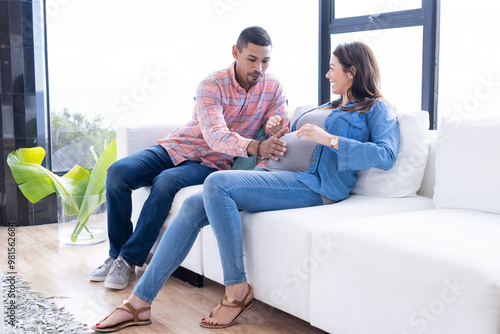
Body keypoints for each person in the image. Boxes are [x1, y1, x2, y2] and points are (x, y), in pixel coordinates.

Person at [91, 41, 399, 332]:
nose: (328, 74)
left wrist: (329, 139)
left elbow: (385, 156)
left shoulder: (376, 109)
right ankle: (139, 303)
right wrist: (278, 128)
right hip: (277, 173)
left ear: (353, 72)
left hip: (315, 186)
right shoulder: (329, 105)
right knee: (193, 204)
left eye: (333, 68)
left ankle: (237, 290)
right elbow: (292, 135)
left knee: (217, 183)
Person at [89, 26, 289, 290]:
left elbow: (281, 126)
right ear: (235, 53)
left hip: (212, 163)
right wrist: (255, 146)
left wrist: (276, 127)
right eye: (252, 59)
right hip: (180, 145)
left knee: (166, 182)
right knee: (117, 173)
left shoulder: (272, 86)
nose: (259, 68)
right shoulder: (212, 84)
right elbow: (215, 135)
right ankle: (115, 255)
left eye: (265, 61)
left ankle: (128, 260)